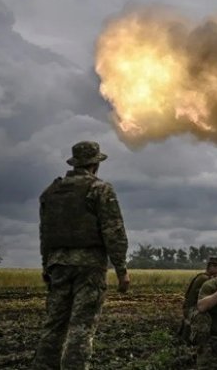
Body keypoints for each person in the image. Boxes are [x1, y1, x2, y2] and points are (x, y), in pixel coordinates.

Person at [32, 141, 129, 370]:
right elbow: (113, 231)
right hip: (89, 267)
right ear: (95, 164)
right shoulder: (100, 189)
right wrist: (121, 270)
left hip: (58, 265)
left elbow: (45, 234)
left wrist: (47, 266)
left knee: (54, 326)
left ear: (75, 163)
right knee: (81, 328)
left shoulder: (50, 192)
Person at [179, 256, 217, 342]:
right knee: (203, 318)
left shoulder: (207, 278)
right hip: (191, 308)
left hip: (197, 306)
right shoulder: (204, 279)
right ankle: (197, 341)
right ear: (211, 266)